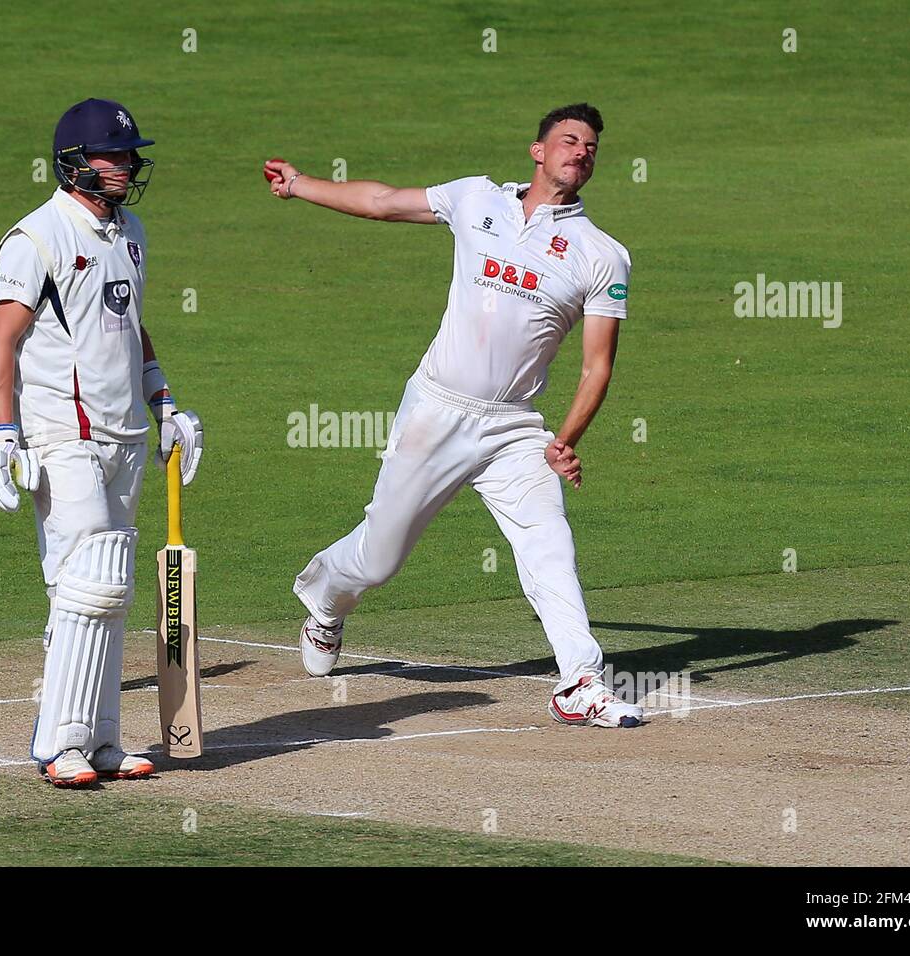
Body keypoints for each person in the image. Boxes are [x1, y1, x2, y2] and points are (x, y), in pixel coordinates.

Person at [264, 103, 641, 728]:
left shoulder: (602, 255)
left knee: (548, 544)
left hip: (514, 426)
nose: (581, 151)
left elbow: (596, 366)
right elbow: (384, 200)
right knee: (379, 558)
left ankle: (580, 679)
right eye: (569, 141)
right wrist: (301, 184)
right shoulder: (476, 199)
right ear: (538, 151)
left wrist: (564, 441)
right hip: (436, 409)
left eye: (592, 147)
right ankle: (326, 601)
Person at [0, 98, 203, 787]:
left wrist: (164, 399)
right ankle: (58, 745)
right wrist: (1, 432)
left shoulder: (129, 230)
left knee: (115, 589)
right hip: (62, 433)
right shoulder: (36, 238)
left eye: (130, 155)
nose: (127, 167)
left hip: (126, 433)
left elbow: (132, 325)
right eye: (114, 156)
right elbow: (1, 341)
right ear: (75, 162)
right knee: (83, 587)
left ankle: (102, 740)